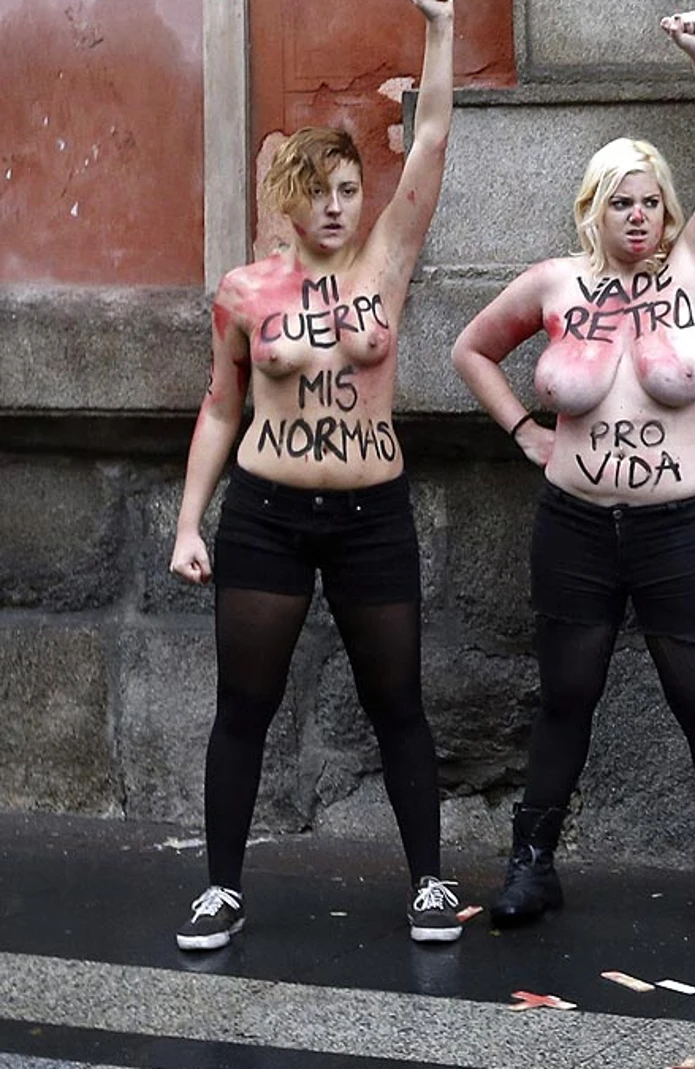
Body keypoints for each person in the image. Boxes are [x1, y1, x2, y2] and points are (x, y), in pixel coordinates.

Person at [448, 10, 695, 940]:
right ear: (592, 207)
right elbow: (471, 348)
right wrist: (523, 432)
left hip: (679, 527)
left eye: (651, 201)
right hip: (578, 524)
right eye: (620, 201)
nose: (639, 215)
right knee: (565, 695)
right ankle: (532, 862)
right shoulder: (555, 284)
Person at [167, 0, 460, 951]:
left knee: (398, 702)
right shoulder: (244, 292)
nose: (340, 203)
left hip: (374, 513)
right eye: (323, 190)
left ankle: (429, 881)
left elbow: (433, 147)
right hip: (266, 513)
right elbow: (221, 406)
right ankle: (220, 888)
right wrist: (187, 525)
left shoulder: (386, 265)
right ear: (289, 200)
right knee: (244, 705)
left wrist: (443, 28)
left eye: (348, 187)